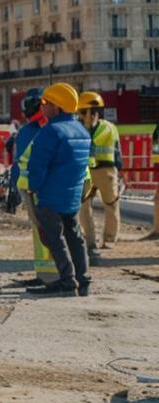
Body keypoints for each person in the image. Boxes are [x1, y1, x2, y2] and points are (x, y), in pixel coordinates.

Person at [26, 83, 92, 297]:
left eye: (45, 102)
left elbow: (38, 165)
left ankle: (67, 281)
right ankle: (83, 280)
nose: (41, 106)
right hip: (71, 195)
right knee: (74, 236)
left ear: (57, 107)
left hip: (50, 195)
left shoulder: (51, 132)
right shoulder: (82, 131)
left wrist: (33, 188)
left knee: (55, 238)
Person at [9, 88, 57, 286]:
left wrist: (13, 187)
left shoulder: (28, 131)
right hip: (59, 188)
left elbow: (20, 163)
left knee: (42, 232)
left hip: (34, 190)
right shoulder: (59, 127)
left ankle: (48, 276)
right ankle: (59, 274)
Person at [75, 92, 121, 263]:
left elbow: (116, 149)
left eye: (92, 111)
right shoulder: (77, 128)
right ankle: (90, 241)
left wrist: (119, 169)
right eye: (85, 112)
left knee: (111, 204)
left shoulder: (108, 127)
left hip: (106, 171)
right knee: (84, 208)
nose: (89, 115)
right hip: (86, 171)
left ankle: (109, 239)